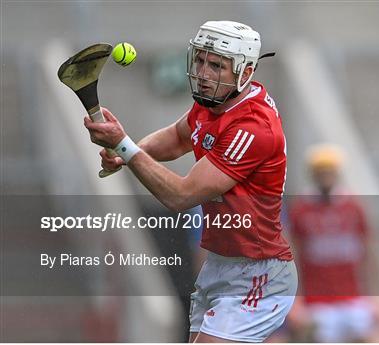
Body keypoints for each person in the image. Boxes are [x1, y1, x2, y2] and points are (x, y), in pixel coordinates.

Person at [84, 20, 297, 343]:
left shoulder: (253, 127)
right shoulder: (213, 103)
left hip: (258, 274)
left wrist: (126, 147)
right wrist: (125, 150)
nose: (204, 72)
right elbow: (177, 137)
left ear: (246, 72)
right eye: (200, 59)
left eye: (216, 65)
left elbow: (181, 195)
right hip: (219, 265)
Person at [286, 144, 379, 343]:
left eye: (329, 171)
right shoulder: (301, 209)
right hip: (317, 301)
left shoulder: (354, 207)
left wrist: (378, 298)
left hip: (353, 297)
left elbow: (369, 253)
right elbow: (292, 257)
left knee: (375, 338)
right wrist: (295, 301)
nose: (326, 176)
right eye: (321, 172)